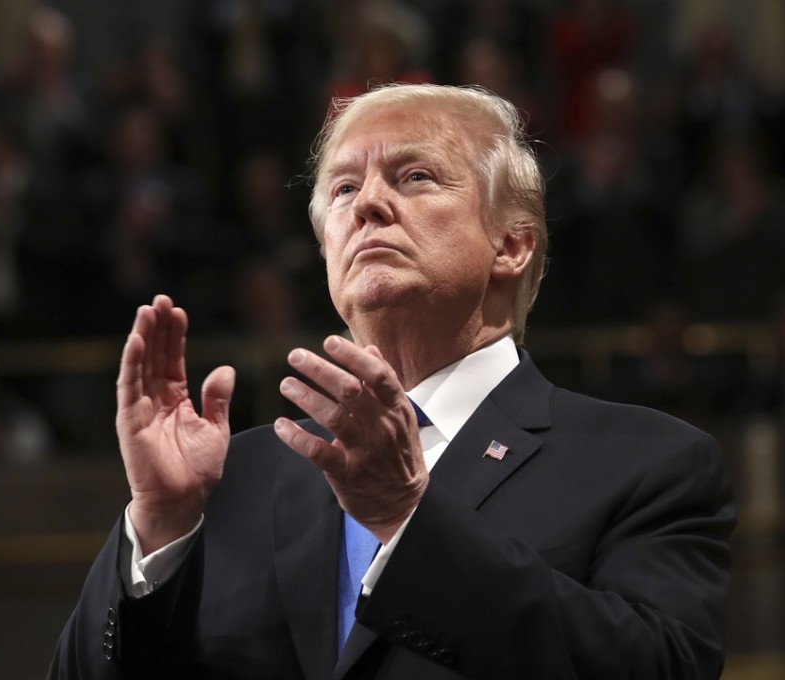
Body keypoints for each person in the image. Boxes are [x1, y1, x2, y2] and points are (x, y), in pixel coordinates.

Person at [49, 83, 734, 679]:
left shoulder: (645, 462)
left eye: (414, 177)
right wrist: (159, 526)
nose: (367, 203)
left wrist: (407, 520)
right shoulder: (235, 475)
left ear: (511, 245)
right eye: (344, 188)